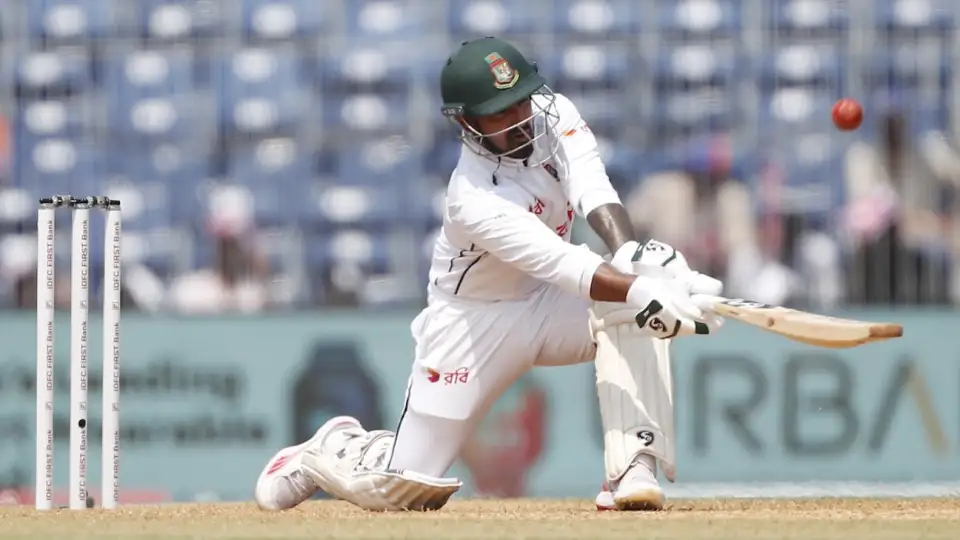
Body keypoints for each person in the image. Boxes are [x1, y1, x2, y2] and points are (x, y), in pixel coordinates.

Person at [253, 37, 724, 513]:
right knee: (399, 491)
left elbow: (593, 188)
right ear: (467, 123)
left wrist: (634, 261)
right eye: (500, 112)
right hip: (473, 323)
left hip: (550, 301)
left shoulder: (556, 113)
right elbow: (561, 262)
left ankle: (633, 468)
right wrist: (643, 288)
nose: (520, 117)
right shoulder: (472, 197)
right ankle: (336, 446)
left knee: (631, 311)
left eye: (522, 100)